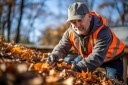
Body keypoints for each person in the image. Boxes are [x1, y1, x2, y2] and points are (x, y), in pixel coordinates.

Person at [46, 2, 126, 80]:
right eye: (73, 22)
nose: (77, 26)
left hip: (112, 59)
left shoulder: (103, 31)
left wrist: (76, 68)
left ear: (89, 17)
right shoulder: (70, 32)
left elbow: (97, 56)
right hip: (88, 56)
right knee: (70, 64)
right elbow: (62, 47)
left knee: (114, 80)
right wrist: (55, 56)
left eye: (80, 20)